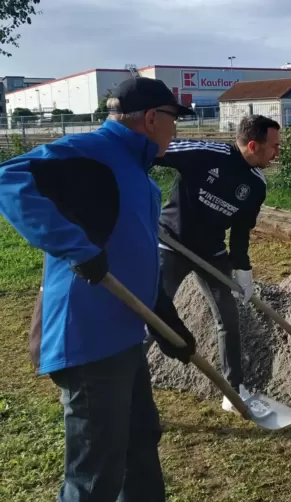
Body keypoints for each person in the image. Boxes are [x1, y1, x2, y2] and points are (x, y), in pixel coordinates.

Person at [0, 77, 198, 501]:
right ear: (151, 119)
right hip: (90, 340)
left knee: (141, 443)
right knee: (95, 477)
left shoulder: (139, 178)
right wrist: (76, 247)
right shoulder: (95, 154)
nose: (174, 131)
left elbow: (135, 253)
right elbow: (9, 179)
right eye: (172, 121)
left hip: (126, 334)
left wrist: (164, 313)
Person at [146, 114, 281, 412]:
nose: (277, 153)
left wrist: (243, 269)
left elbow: (241, 231)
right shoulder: (206, 154)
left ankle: (233, 391)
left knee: (228, 318)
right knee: (153, 313)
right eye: (274, 146)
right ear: (253, 145)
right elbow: (152, 154)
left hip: (211, 253)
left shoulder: (256, 185)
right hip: (170, 243)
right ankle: (127, 382)